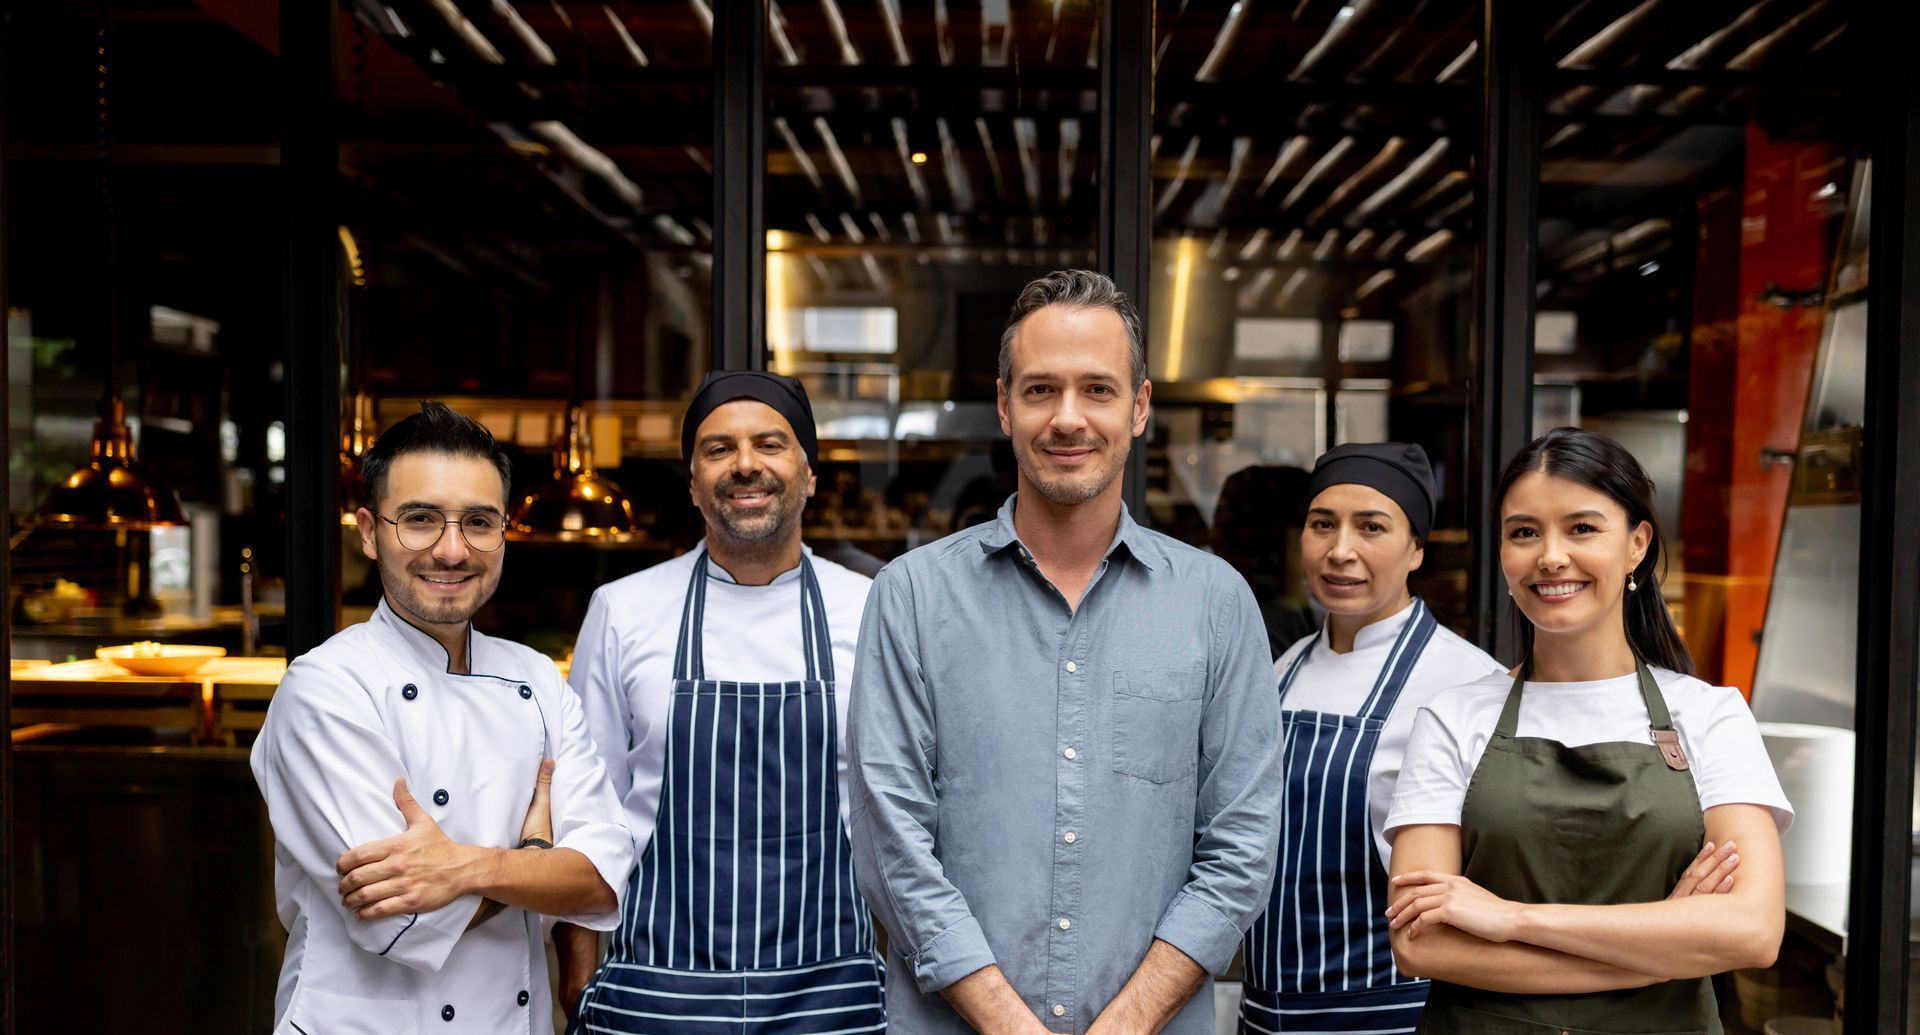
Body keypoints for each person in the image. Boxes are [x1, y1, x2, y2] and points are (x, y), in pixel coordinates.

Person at [849, 269, 1283, 1035]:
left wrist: (1126, 1023)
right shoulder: (911, 597)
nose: (1068, 418)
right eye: (1043, 389)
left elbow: (1242, 849)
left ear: (1140, 406)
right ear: (1005, 405)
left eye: (1099, 389)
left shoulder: (1217, 604)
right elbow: (892, 844)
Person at [1384, 427, 1791, 1035]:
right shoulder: (1453, 718)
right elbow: (1422, 945)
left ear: (1637, 545)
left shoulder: (1711, 715)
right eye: (1524, 532)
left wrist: (1514, 918)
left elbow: (1753, 932)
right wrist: (1661, 947)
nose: (1550, 556)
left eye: (1582, 528)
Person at [251, 401, 633, 1033]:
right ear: (370, 531)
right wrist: (537, 855)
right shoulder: (324, 689)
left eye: (479, 522)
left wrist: (465, 866)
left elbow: (601, 880)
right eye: (420, 520)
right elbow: (399, 917)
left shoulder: (538, 678)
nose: (452, 551)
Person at [558, 371, 887, 1034]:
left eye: (770, 443)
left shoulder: (874, 609)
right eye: (718, 448)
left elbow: (902, 823)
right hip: (654, 994)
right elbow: (584, 819)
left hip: (830, 996)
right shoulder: (623, 610)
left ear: (811, 472)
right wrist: (578, 989)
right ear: (692, 481)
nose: (745, 464)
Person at [1236, 443, 1507, 1035]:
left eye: (1372, 527)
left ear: (1416, 549)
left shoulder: (1468, 685)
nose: (1340, 551)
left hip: (1394, 1014)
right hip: (1264, 1010)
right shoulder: (1283, 670)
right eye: (1322, 525)